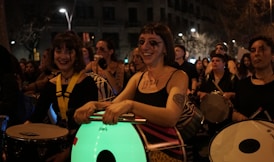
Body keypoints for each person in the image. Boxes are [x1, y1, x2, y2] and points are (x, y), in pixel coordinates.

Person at [74, 22, 188, 162]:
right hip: (139, 149)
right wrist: (94, 105)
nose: (145, 47)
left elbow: (171, 117)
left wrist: (131, 105)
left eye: (153, 43)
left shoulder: (178, 76)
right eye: (141, 42)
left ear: (165, 48)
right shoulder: (138, 78)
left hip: (167, 151)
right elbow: (115, 105)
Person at [23, 31, 98, 162]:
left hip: (81, 144)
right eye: (58, 51)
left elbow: (90, 126)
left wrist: (66, 154)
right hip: (58, 143)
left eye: (69, 51)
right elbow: (36, 117)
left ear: (77, 55)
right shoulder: (51, 84)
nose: (63, 56)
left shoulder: (87, 83)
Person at [232, 35, 274, 161]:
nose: (257, 54)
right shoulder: (242, 85)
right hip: (249, 146)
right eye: (253, 51)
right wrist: (237, 117)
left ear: (273, 55)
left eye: (262, 49)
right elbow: (234, 112)